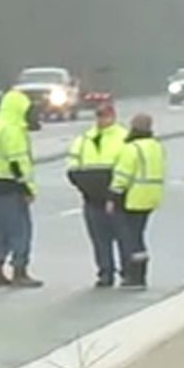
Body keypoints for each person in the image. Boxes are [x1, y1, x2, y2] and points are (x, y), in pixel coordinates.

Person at [0, 88, 42, 287]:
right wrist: (28, 189)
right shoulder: (13, 131)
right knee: (20, 231)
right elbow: (17, 163)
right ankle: (19, 271)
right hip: (10, 186)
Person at [65, 101, 128, 286]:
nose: (102, 119)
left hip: (118, 199)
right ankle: (105, 273)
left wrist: (115, 193)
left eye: (106, 115)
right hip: (91, 199)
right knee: (100, 240)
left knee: (124, 238)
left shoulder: (124, 138)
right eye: (99, 115)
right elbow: (72, 168)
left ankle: (127, 272)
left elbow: (128, 168)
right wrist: (84, 188)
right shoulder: (83, 140)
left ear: (113, 116)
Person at [109, 113, 166, 288]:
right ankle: (139, 274)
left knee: (130, 238)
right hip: (150, 197)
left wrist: (113, 197)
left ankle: (135, 276)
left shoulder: (131, 148)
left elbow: (122, 176)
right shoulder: (156, 146)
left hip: (132, 198)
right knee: (138, 234)